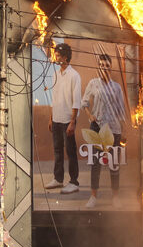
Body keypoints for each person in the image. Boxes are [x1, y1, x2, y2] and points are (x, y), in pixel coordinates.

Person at [81, 53, 125, 208]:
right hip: (97, 128)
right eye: (102, 65)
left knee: (114, 163)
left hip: (113, 128)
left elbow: (121, 109)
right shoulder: (93, 84)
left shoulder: (116, 87)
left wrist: (123, 130)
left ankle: (116, 197)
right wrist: (90, 115)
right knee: (95, 164)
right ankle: (93, 197)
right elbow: (84, 102)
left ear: (110, 68)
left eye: (107, 66)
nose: (104, 68)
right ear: (98, 67)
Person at [46, 43, 82, 194]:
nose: (56, 57)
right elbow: (55, 98)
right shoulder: (55, 74)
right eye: (56, 55)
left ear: (66, 57)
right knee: (57, 150)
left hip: (68, 120)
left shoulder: (74, 76)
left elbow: (76, 100)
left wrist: (73, 122)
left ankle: (74, 182)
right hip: (56, 119)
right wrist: (51, 118)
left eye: (59, 55)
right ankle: (58, 179)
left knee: (70, 151)